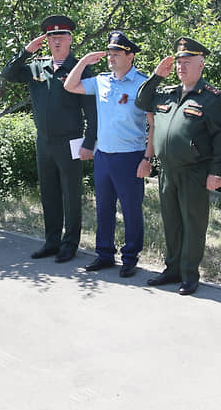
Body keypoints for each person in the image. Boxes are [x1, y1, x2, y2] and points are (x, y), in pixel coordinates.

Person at [136, 37, 221, 295]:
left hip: (195, 172)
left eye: (187, 62)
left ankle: (189, 274)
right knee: (172, 223)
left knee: (193, 224)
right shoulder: (168, 93)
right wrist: (157, 76)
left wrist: (215, 172)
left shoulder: (213, 98)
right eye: (178, 63)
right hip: (167, 170)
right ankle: (172, 269)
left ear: (201, 64)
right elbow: (141, 102)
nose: (181, 67)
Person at [2, 15, 98, 263]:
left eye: (61, 36)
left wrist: (89, 142)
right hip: (43, 142)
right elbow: (8, 74)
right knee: (49, 193)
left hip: (70, 141)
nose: (57, 41)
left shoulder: (81, 69)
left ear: (70, 39)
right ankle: (52, 241)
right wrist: (26, 52)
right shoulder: (37, 67)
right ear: (46, 41)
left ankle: (70, 244)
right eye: (52, 37)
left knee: (71, 194)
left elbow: (92, 111)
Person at [64, 31, 154, 278]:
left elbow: (153, 124)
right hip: (103, 155)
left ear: (130, 56)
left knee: (131, 210)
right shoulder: (103, 80)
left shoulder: (143, 84)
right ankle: (104, 255)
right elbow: (70, 85)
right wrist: (83, 62)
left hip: (130, 156)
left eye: (116, 54)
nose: (111, 58)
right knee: (104, 208)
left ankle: (130, 258)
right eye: (110, 54)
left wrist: (148, 158)